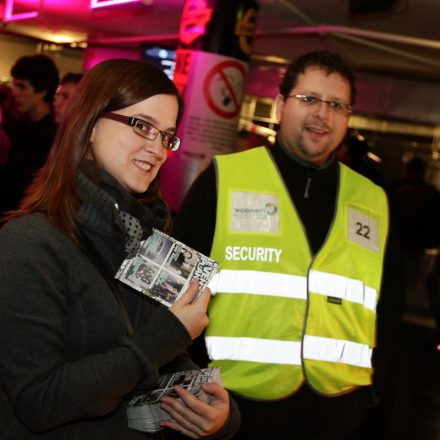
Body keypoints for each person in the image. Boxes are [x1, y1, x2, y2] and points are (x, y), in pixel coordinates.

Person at [0, 59, 239, 439]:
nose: (157, 148)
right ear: (91, 123)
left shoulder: (144, 239)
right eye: (142, 126)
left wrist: (214, 411)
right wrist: (169, 333)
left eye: (166, 136)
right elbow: (40, 401)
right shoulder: (30, 243)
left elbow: (163, 361)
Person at [173, 51, 404, 439]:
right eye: (309, 99)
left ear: (348, 117)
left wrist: (372, 395)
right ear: (281, 105)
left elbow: (390, 308)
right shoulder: (224, 179)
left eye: (336, 105)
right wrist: (190, 383)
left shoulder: (373, 200)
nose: (322, 115)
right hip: (232, 411)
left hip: (337, 413)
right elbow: (175, 289)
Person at [0, 54, 59, 214]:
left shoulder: (53, 137)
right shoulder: (21, 127)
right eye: (15, 85)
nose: (14, 92)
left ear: (42, 91)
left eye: (22, 87)